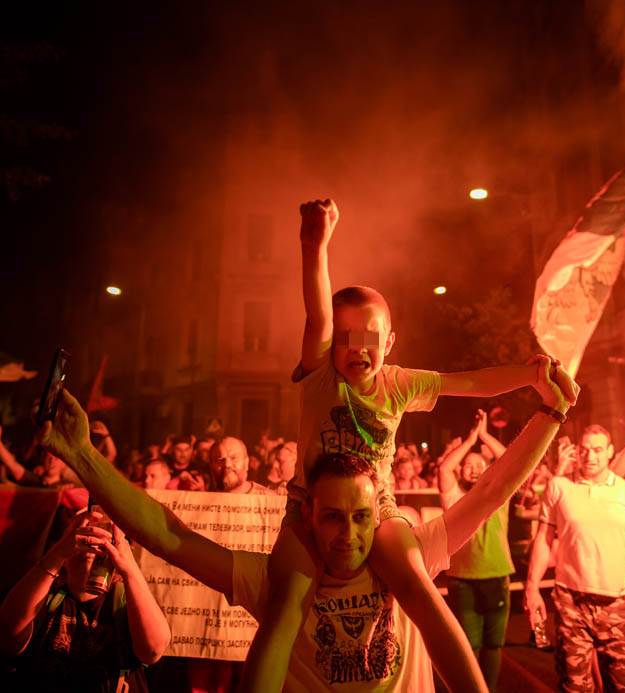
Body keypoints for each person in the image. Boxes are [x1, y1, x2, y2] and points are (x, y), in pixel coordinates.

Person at [36, 355, 573, 691]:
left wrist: (551, 413)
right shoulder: (278, 579)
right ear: (307, 516)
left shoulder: (411, 555)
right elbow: (167, 535)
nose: (349, 534)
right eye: (333, 517)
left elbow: (493, 489)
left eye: (361, 517)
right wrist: (80, 453)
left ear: (379, 514)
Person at [246, 198, 579, 693]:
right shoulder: (319, 379)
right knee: (284, 605)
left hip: (377, 510)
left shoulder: (399, 384)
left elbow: (470, 382)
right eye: (346, 336)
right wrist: (314, 245)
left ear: (390, 343)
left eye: (370, 337)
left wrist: (531, 376)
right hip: (308, 508)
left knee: (420, 590)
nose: (357, 347)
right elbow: (317, 318)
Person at [524, 423, 625, 692]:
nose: (590, 456)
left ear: (610, 452)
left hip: (620, 605)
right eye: (585, 449)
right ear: (577, 451)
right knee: (574, 687)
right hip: (571, 602)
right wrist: (532, 587)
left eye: (597, 450)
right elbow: (543, 539)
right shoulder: (559, 487)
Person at [0, 507, 170, 692]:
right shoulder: (43, 596)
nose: (92, 544)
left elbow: (153, 650)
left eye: (104, 536)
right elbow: (7, 628)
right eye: (83, 532)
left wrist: (129, 568)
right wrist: (57, 554)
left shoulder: (129, 601)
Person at [437, 409, 513, 691]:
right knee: (469, 645)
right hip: (462, 579)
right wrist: (470, 441)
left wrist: (485, 435)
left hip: (497, 575)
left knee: (493, 645)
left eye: (480, 464)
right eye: (468, 465)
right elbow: (444, 469)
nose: (474, 468)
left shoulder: (499, 494)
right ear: (461, 471)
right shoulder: (454, 497)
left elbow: (510, 460)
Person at [0, 424, 79, 488]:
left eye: (56, 458)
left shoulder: (68, 487)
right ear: (43, 459)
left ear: (63, 463)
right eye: (48, 457)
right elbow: (12, 465)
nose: (52, 461)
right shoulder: (34, 482)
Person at [209, 436, 274, 494]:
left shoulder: (268, 498)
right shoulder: (206, 499)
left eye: (234, 458)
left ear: (246, 462)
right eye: (220, 460)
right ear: (211, 465)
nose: (227, 464)